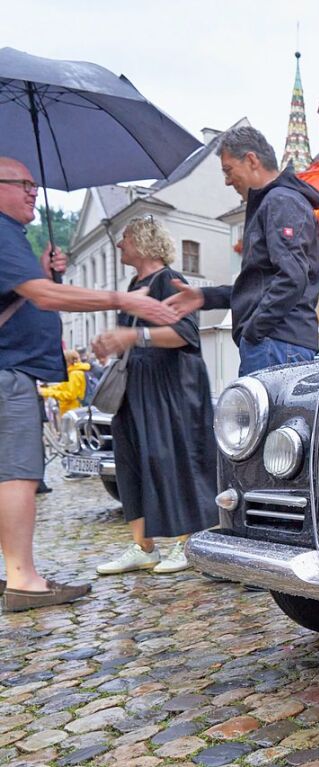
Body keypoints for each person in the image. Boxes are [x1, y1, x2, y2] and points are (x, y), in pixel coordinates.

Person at [0, 156, 178, 612]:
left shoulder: (166, 280)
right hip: (13, 370)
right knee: (18, 473)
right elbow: (40, 297)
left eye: (34, 184)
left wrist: (45, 272)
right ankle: (24, 578)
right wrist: (118, 303)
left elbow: (184, 334)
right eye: (24, 184)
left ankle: (170, 544)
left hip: (153, 389)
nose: (33, 192)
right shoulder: (2, 233)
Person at [91, 217, 218, 575]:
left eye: (125, 238)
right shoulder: (134, 284)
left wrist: (133, 338)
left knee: (171, 458)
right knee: (130, 460)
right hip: (136, 382)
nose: (119, 245)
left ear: (144, 242)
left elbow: (184, 334)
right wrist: (112, 343)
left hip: (169, 384)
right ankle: (142, 546)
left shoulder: (167, 280)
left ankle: (186, 542)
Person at [165, 126, 319, 376]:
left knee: (261, 416)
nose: (227, 181)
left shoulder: (280, 201)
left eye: (228, 170)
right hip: (277, 341)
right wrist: (204, 297)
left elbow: (293, 277)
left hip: (275, 342)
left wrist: (254, 330)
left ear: (251, 160)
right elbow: (262, 285)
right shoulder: (277, 201)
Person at [38, 349, 90, 414]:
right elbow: (62, 386)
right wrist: (45, 390)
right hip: (71, 410)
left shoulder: (75, 374)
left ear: (68, 361)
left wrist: (46, 392)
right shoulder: (72, 372)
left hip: (74, 411)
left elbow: (69, 395)